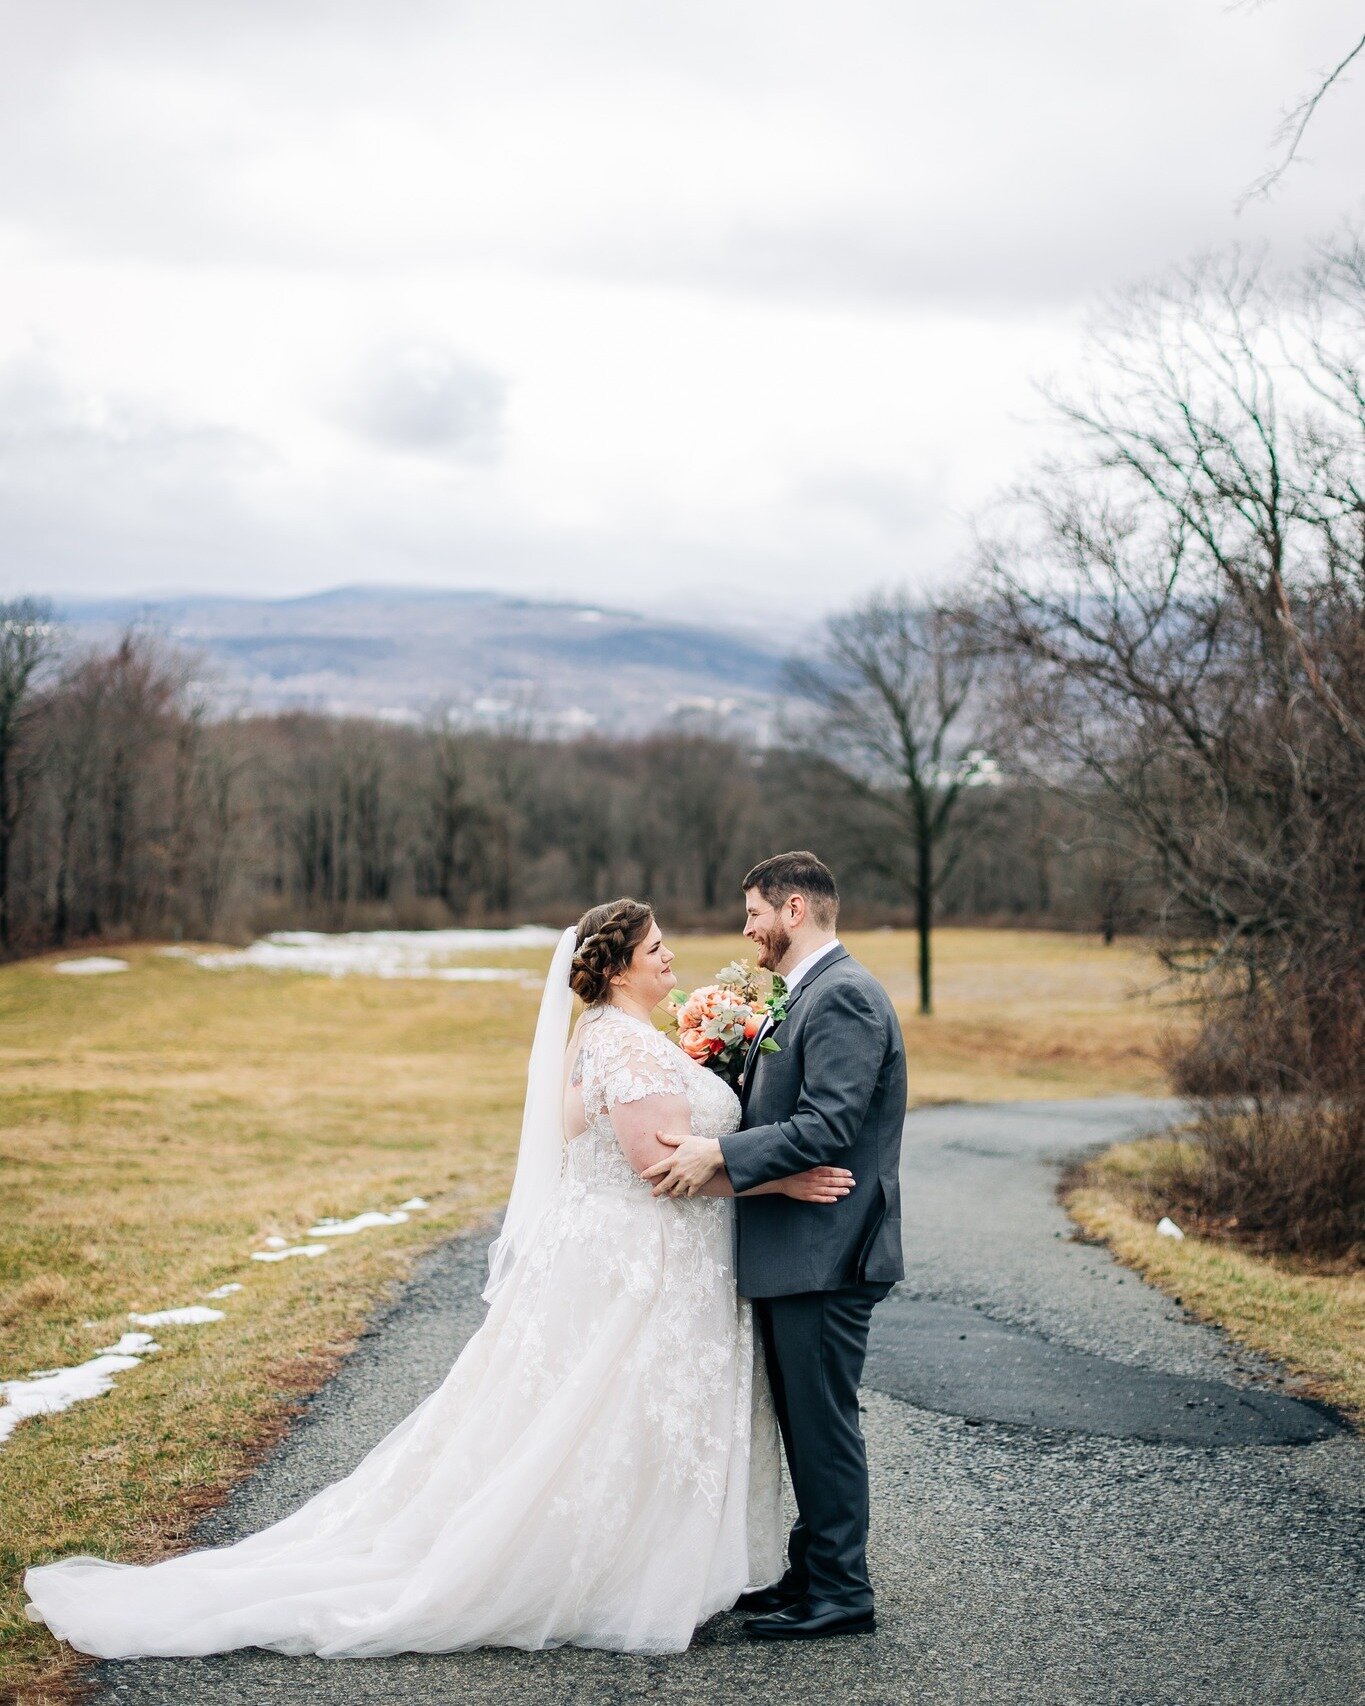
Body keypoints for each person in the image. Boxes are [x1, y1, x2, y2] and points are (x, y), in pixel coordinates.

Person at [24, 899, 855, 1659]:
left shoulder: (613, 1036)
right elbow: (659, 1168)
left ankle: (639, 1557)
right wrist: (777, 1180)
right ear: (618, 965)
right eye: (657, 947)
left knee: (608, 1412)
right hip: (645, 1258)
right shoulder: (626, 1044)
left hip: (626, 1252)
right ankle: (606, 1571)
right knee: (612, 1409)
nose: (672, 958)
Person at [645, 852, 906, 1641]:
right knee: (802, 1419)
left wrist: (717, 1157)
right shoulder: (805, 994)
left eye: (754, 912)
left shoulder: (845, 998)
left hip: (827, 1250)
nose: (748, 929)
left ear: (794, 908)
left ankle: (841, 1593)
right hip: (799, 1250)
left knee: (822, 1423)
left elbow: (829, 1125)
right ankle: (813, 1572)